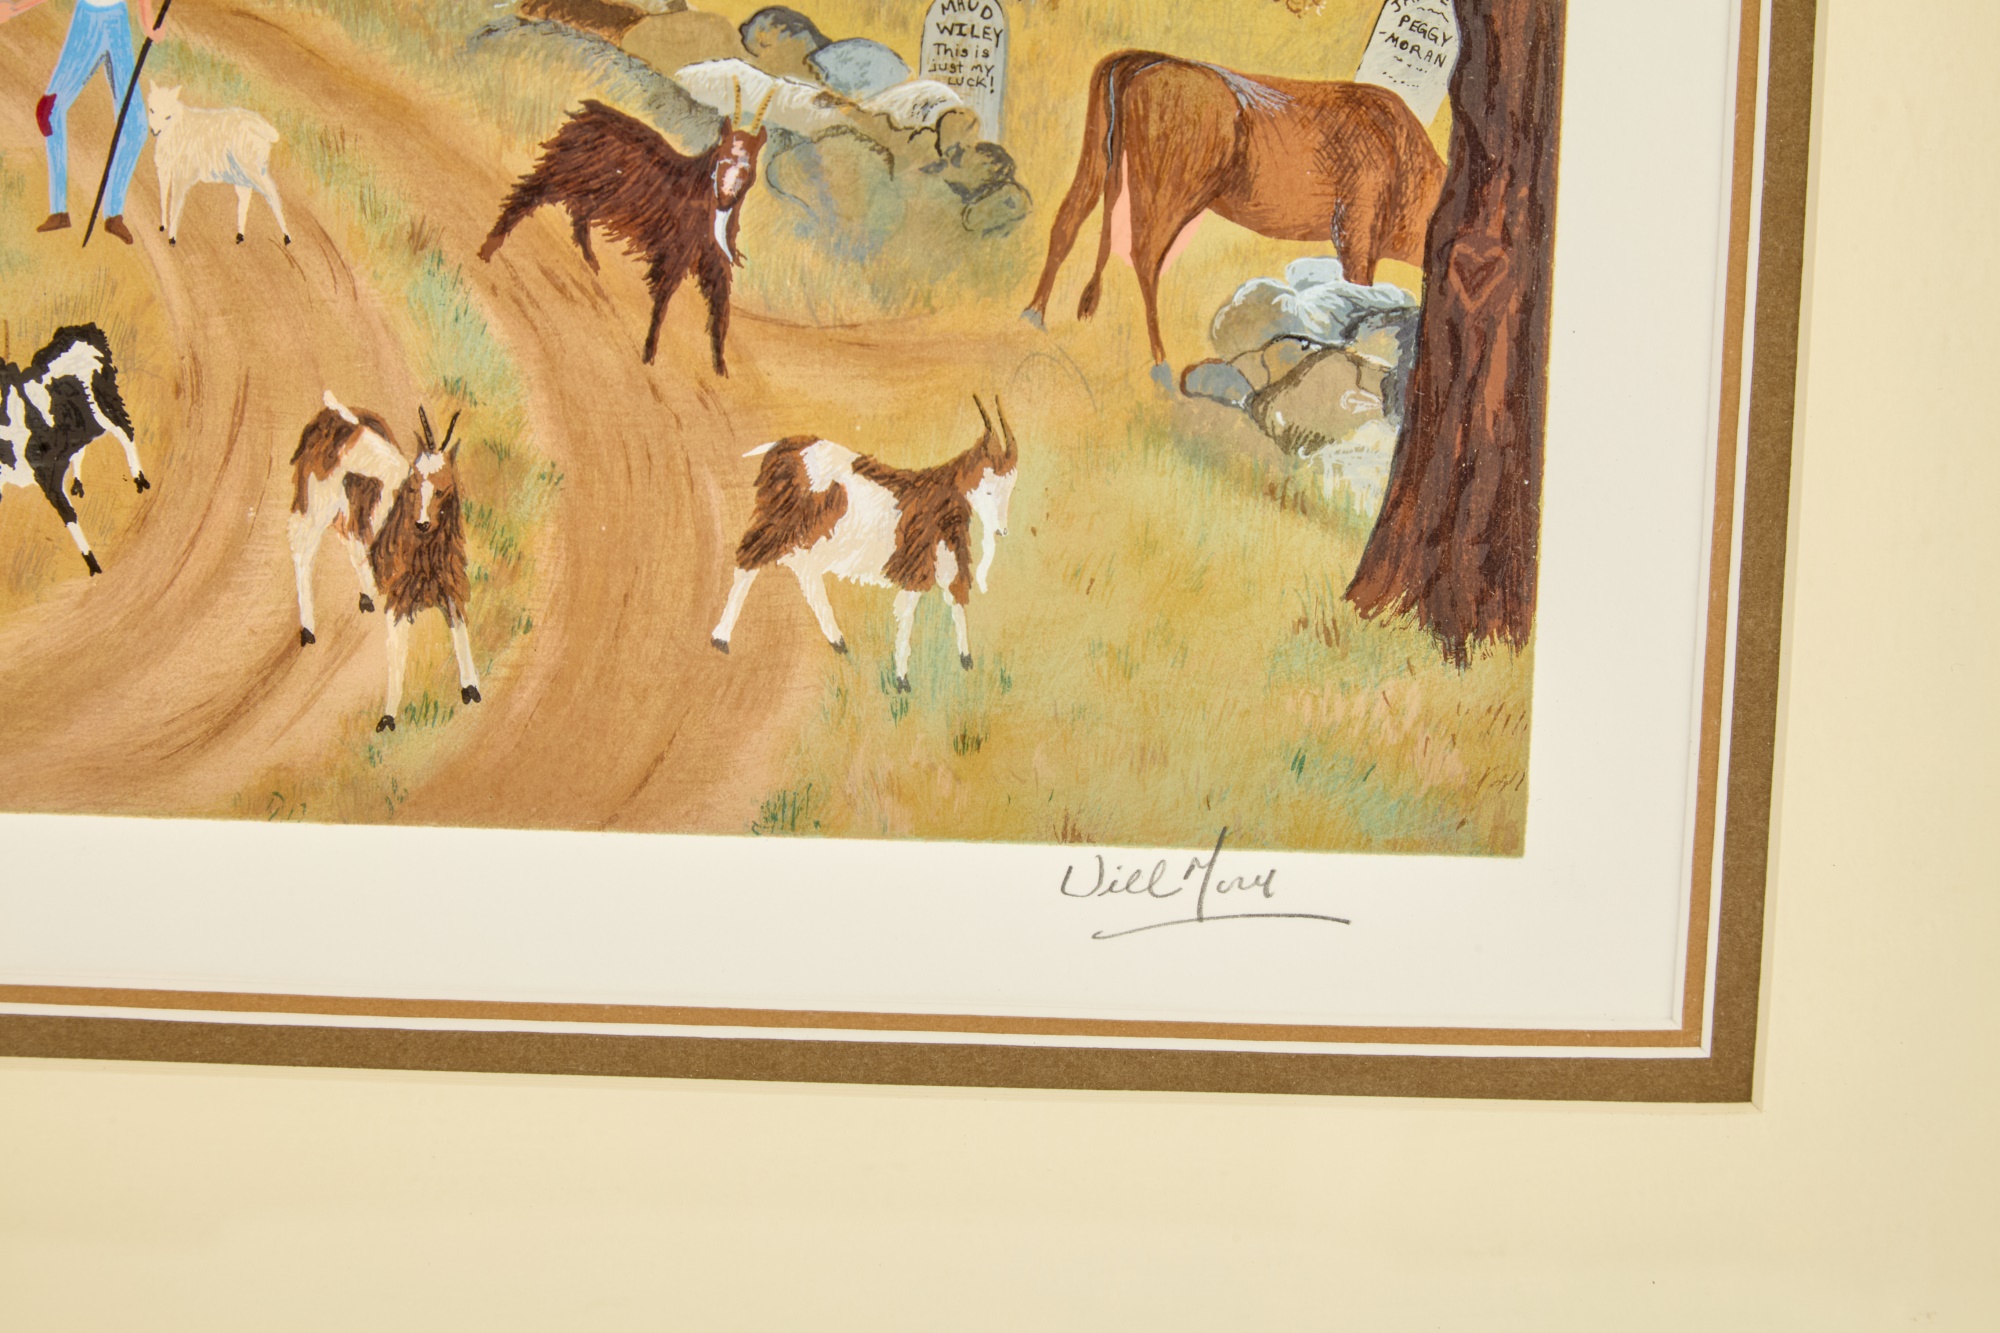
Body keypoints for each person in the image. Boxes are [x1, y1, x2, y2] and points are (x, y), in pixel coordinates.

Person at [0, 0, 163, 244]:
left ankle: (114, 214)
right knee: (49, 111)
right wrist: (15, 8)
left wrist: (148, 23)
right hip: (87, 21)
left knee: (136, 126)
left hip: (117, 22)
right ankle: (59, 211)